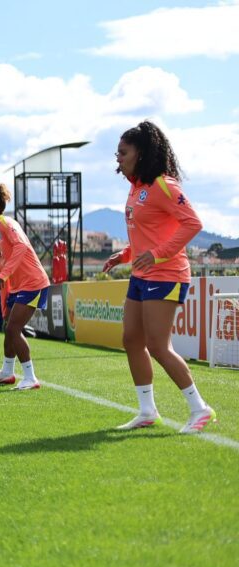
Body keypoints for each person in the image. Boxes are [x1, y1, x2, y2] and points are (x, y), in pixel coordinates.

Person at [104, 120, 215, 434]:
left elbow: (193, 223)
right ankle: (147, 411)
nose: (118, 158)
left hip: (167, 275)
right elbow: (147, 233)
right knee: (131, 340)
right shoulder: (136, 188)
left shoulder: (164, 184)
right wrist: (124, 255)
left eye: (123, 152)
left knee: (157, 345)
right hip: (141, 275)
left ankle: (200, 408)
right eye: (117, 153)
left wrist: (158, 254)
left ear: (141, 153)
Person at [0, 183, 50, 390]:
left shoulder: (6, 223)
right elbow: (3, 271)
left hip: (33, 283)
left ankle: (30, 377)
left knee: (13, 329)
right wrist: (4, 298)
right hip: (18, 287)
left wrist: (4, 274)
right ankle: (8, 373)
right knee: (8, 328)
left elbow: (21, 246)